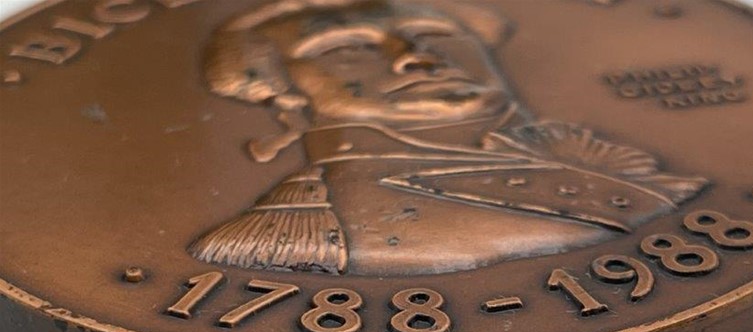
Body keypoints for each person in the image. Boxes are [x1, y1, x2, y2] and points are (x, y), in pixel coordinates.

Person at [190, 0, 708, 276]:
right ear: (282, 93)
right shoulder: (296, 235)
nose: (415, 57)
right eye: (345, 49)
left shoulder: (596, 159)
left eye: (438, 35)